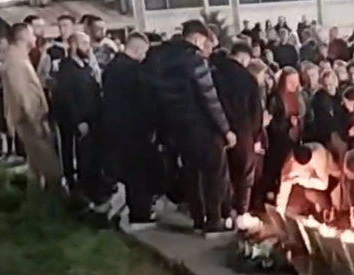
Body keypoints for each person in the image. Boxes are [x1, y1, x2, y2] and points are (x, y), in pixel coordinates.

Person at [148, 20, 236, 235]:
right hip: (202, 126)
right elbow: (209, 98)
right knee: (213, 173)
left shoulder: (162, 59)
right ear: (197, 37)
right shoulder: (194, 60)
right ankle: (214, 221)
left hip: (178, 128)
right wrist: (226, 130)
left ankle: (198, 219)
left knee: (192, 173)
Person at [102, 32, 155, 229]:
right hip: (135, 130)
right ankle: (141, 216)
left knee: (129, 174)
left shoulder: (111, 68)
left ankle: (135, 211)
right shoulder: (134, 71)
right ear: (137, 49)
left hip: (116, 129)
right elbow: (143, 102)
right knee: (139, 174)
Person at [0, 23, 62, 189]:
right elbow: (23, 94)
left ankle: (41, 193)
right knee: (46, 162)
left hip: (29, 118)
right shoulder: (16, 62)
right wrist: (36, 121)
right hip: (31, 119)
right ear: (23, 37)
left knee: (37, 162)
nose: (35, 37)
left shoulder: (17, 58)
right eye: (32, 34)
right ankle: (53, 196)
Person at [211, 43, 263, 228]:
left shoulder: (214, 74)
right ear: (244, 58)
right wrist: (257, 135)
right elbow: (256, 110)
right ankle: (241, 212)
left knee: (222, 174)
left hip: (219, 130)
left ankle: (224, 214)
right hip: (243, 131)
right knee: (244, 174)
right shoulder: (248, 78)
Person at [54, 31, 108, 208]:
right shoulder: (67, 70)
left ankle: (98, 187)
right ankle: (88, 192)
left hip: (93, 119)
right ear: (74, 45)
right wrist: (78, 121)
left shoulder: (85, 66)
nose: (88, 47)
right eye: (84, 43)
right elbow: (69, 98)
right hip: (81, 121)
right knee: (85, 157)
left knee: (94, 156)